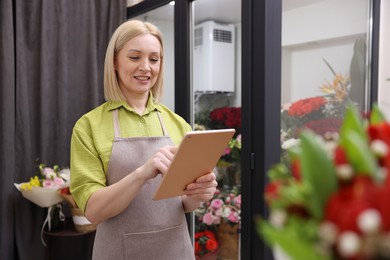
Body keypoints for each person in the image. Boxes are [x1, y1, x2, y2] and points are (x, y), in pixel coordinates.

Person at [70, 19, 218, 260]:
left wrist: (198, 194)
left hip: (175, 251)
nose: (146, 67)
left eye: (154, 59)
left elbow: (182, 204)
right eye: (135, 57)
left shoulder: (178, 124)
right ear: (115, 62)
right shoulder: (89, 126)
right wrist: (143, 173)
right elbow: (93, 211)